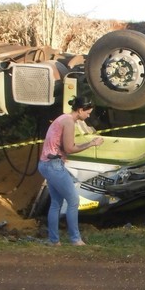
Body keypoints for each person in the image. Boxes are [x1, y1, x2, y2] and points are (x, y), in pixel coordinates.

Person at [38, 96, 104, 246]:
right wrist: (92, 143)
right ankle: (75, 239)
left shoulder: (62, 118)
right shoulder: (68, 122)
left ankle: (54, 240)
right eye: (88, 113)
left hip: (46, 164)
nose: (88, 116)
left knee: (56, 202)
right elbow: (69, 148)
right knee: (74, 201)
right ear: (80, 110)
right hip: (53, 165)